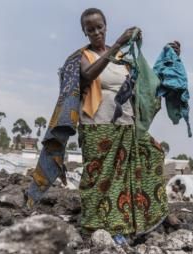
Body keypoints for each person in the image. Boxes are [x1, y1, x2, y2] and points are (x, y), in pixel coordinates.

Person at [77, 8, 181, 237]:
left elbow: (145, 83)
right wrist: (117, 44)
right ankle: (97, 225)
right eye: (90, 29)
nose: (96, 32)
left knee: (152, 154)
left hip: (126, 124)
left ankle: (150, 216)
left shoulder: (123, 61)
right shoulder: (84, 56)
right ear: (85, 32)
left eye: (99, 27)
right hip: (98, 126)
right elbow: (87, 76)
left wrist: (168, 58)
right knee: (102, 179)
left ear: (105, 26)